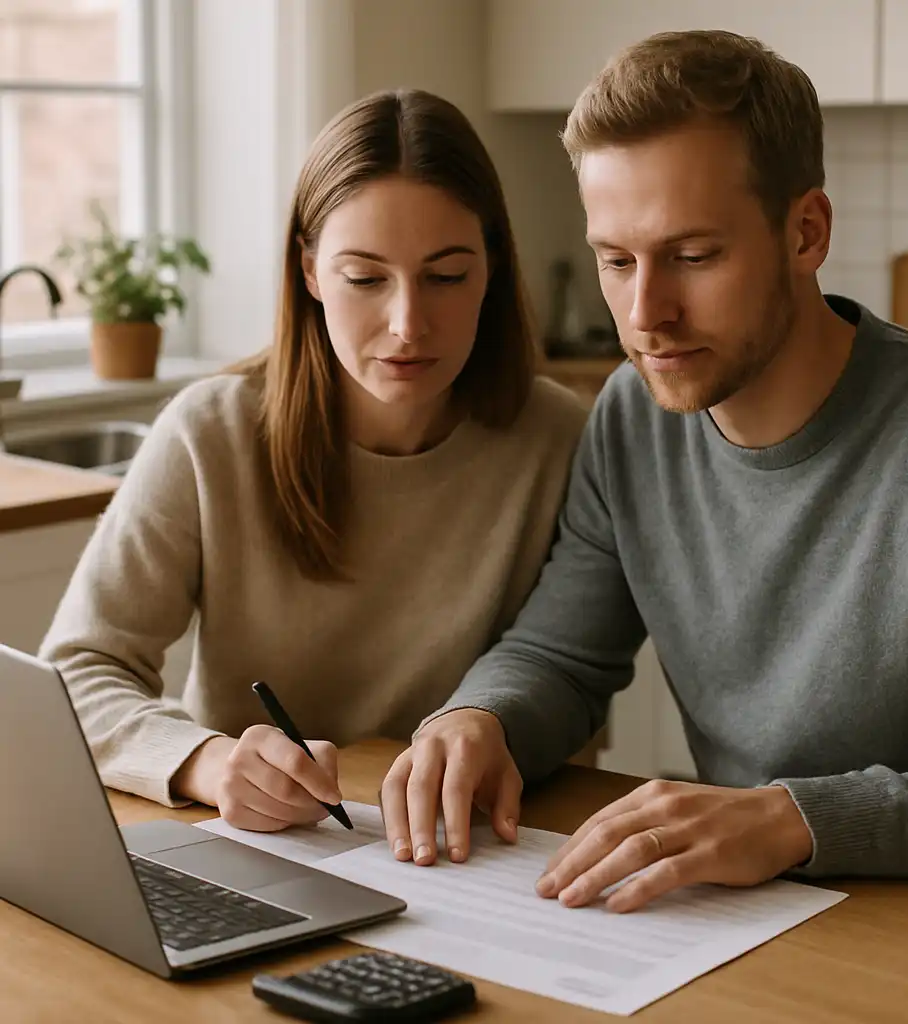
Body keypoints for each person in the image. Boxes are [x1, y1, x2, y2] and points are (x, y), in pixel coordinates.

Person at [380, 30, 908, 904]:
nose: (647, 313)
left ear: (806, 231)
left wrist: (788, 819)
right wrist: (476, 718)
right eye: (616, 261)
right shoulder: (632, 414)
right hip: (752, 913)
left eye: (692, 257)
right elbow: (562, 654)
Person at [39, 89, 587, 832]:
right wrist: (207, 761)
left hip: (472, 851)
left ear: (491, 267)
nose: (406, 324)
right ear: (309, 271)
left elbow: (572, 676)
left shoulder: (560, 436)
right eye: (364, 278)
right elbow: (76, 669)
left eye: (446, 276)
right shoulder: (212, 432)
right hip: (260, 845)